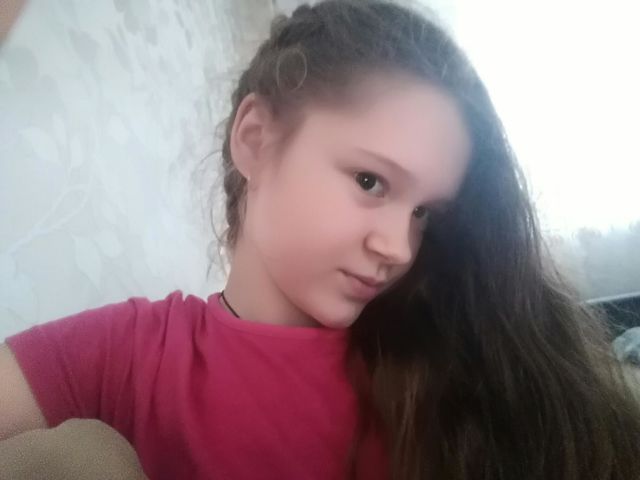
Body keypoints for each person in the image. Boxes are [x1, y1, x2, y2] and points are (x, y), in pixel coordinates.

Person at [1, 1, 639, 479]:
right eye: (371, 181)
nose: (400, 248)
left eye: (425, 213)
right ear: (255, 139)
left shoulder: (445, 353)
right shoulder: (131, 353)